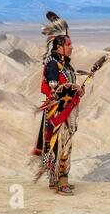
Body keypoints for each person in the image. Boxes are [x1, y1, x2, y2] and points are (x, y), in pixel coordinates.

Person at [32, 11, 84, 196]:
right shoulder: (53, 65)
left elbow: (67, 87)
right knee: (62, 145)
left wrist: (77, 90)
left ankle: (55, 179)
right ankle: (62, 182)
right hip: (58, 114)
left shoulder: (66, 65)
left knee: (60, 144)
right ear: (59, 46)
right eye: (68, 44)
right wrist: (73, 90)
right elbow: (56, 91)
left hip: (66, 113)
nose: (72, 47)